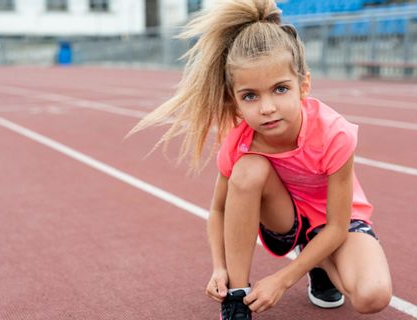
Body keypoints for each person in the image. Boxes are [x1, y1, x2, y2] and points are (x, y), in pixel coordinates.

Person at [129, 0, 392, 319]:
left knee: (372, 296)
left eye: (280, 89)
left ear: (303, 85)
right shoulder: (240, 142)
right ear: (235, 101)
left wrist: (283, 279)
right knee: (249, 168)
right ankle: (237, 297)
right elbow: (219, 210)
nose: (266, 107)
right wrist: (219, 268)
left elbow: (337, 227)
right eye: (251, 96)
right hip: (285, 219)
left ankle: (319, 264)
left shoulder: (334, 133)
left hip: (334, 223)